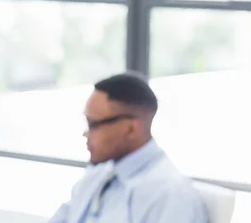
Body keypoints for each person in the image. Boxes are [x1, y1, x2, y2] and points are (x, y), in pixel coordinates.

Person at [48, 72, 207, 223]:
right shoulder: (97, 176)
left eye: (93, 124)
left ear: (131, 129)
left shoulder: (170, 196)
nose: (85, 134)